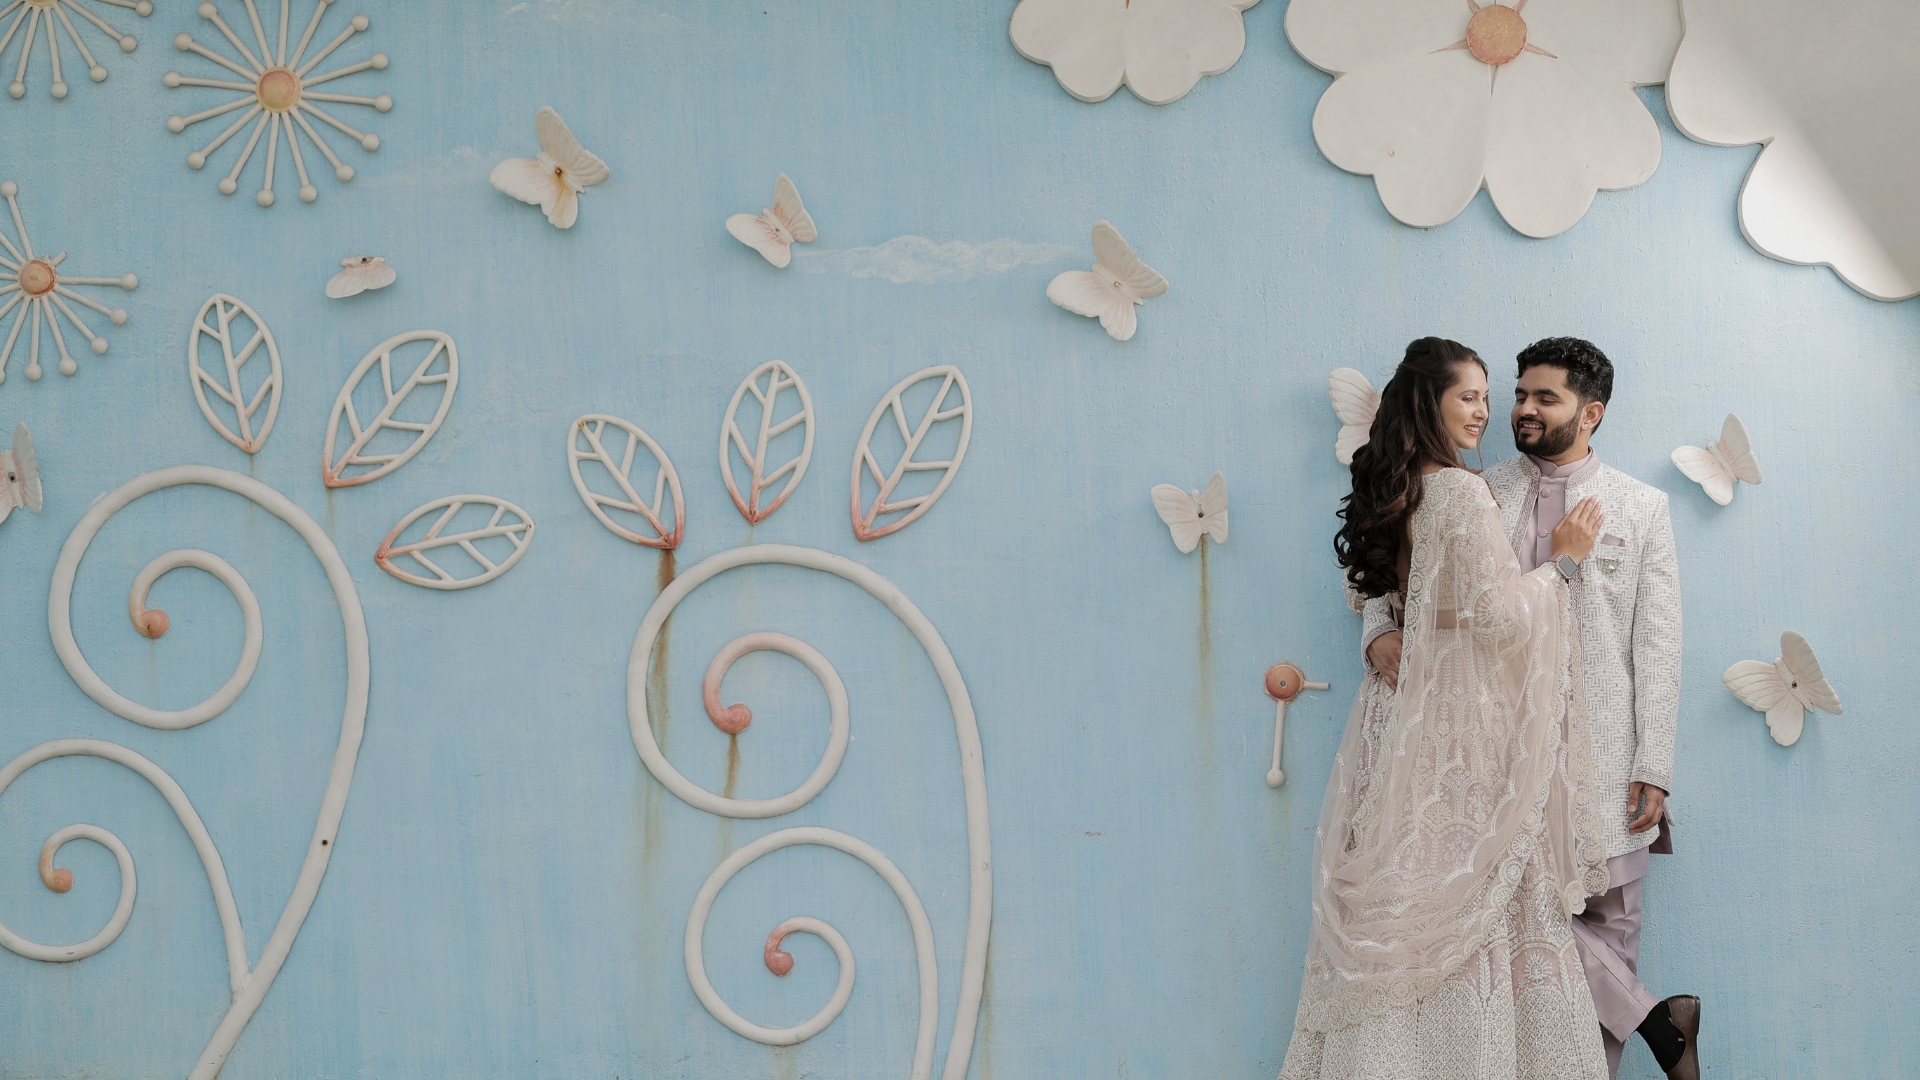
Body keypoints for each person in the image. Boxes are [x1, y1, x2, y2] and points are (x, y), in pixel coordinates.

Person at [1360, 337, 1699, 1080]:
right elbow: (1399, 573)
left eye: (1545, 397)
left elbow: (1658, 645)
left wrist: (1654, 764)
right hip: (1496, 759)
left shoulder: (1642, 508)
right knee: (1508, 933)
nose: (1522, 410)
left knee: (1607, 942)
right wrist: (1378, 630)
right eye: (1518, 395)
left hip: (1604, 762)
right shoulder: (1473, 487)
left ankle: (1638, 1038)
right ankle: (1661, 1022)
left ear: (1591, 412)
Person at [1279, 337, 1613, 1080]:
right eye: (1470, 396)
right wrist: (1562, 562)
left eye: (1488, 398)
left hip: (1396, 717)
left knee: (1405, 892)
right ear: (1429, 402)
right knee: (1473, 890)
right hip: (1457, 726)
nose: (1485, 412)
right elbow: (1495, 616)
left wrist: (1393, 630)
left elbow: (1379, 590)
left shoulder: (1396, 488)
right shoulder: (1460, 492)